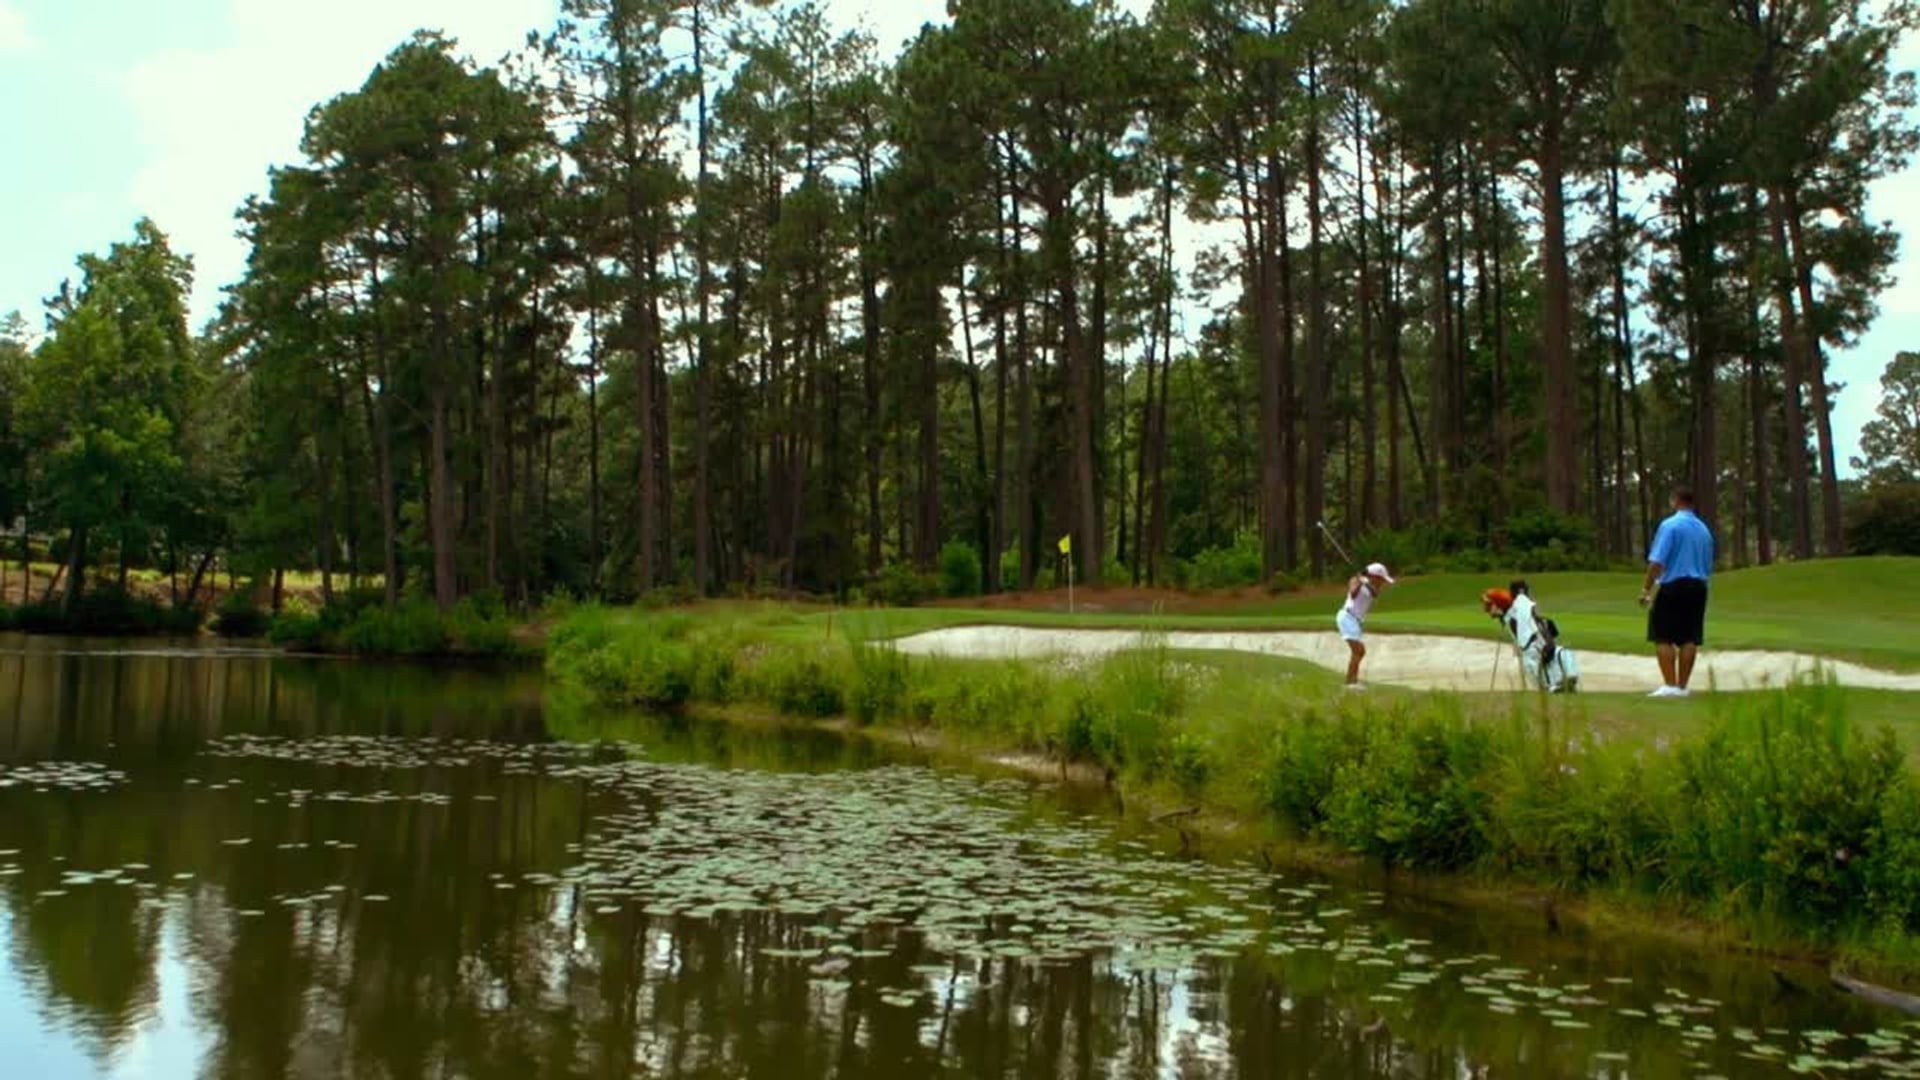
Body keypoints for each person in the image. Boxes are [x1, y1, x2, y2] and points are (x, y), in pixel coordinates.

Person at [1641, 486, 1715, 698]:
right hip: (1698, 586)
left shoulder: (1670, 525)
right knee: (1689, 637)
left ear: (1675, 501)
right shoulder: (1703, 529)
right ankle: (1682, 687)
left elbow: (1657, 561)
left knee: (1662, 635)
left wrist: (1646, 588)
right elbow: (1708, 563)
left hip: (1674, 585)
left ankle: (1670, 685)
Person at [1336, 562, 1395, 689]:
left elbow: (1374, 594)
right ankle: (1351, 683)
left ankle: (1351, 682)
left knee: (1358, 651)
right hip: (1347, 617)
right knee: (1359, 650)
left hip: (1355, 621)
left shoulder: (1373, 587)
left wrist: (1365, 582)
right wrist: (1359, 582)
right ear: (1374, 576)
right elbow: (1353, 594)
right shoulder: (1355, 580)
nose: (1383, 582)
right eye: (1382, 579)